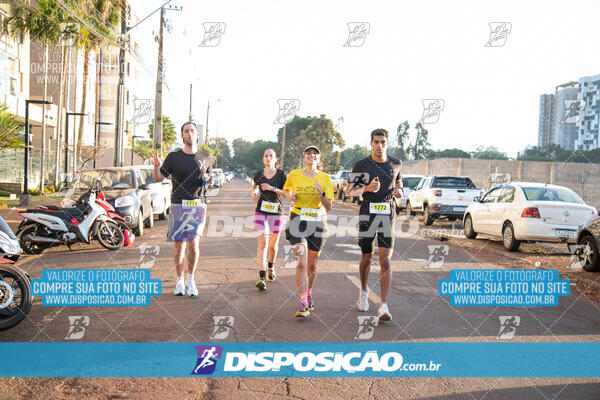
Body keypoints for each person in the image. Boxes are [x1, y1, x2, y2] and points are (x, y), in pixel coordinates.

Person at [151, 121, 212, 297]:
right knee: (180, 247)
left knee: (193, 245)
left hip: (198, 204)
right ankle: (179, 281)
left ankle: (191, 280)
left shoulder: (205, 157)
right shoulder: (173, 157)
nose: (189, 133)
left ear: (197, 134)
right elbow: (157, 178)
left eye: (192, 130)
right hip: (178, 204)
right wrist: (156, 166)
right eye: (186, 131)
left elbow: (210, 179)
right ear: (182, 135)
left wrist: (208, 181)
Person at [349, 128, 403, 321]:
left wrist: (399, 192)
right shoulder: (362, 164)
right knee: (367, 257)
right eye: (376, 142)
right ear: (371, 143)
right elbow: (350, 191)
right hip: (368, 213)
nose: (380, 146)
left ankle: (383, 305)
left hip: (387, 213)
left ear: (387, 143)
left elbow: (399, 184)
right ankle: (363, 292)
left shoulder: (396, 163)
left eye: (383, 142)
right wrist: (367, 188)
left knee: (385, 260)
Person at [282, 145, 334, 317]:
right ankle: (303, 302)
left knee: (312, 263)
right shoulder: (294, 175)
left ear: (319, 159)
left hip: (318, 221)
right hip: (298, 219)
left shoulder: (325, 178)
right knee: (302, 261)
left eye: (315, 154)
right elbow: (286, 190)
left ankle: (309, 292)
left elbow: (329, 207)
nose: (311, 156)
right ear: (303, 158)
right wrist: (290, 196)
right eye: (308, 153)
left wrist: (321, 194)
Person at [251, 149, 288, 291]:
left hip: (277, 212)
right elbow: (254, 188)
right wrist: (254, 194)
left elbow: (286, 193)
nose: (268, 158)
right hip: (261, 211)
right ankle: (261, 276)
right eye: (265, 155)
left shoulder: (281, 174)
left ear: (275, 159)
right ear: (263, 159)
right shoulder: (259, 175)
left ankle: (271, 267)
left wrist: (272, 188)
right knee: (263, 243)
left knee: (273, 245)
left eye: (270, 156)